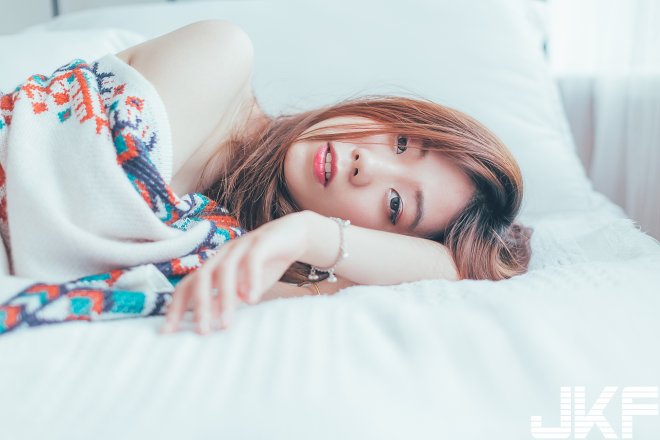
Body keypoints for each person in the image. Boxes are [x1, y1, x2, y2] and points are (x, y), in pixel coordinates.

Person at [0, 19, 531, 335]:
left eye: (396, 205)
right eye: (401, 142)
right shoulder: (222, 54)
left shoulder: (255, 253)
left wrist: (310, 234)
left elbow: (452, 271)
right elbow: (55, 206)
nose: (367, 164)